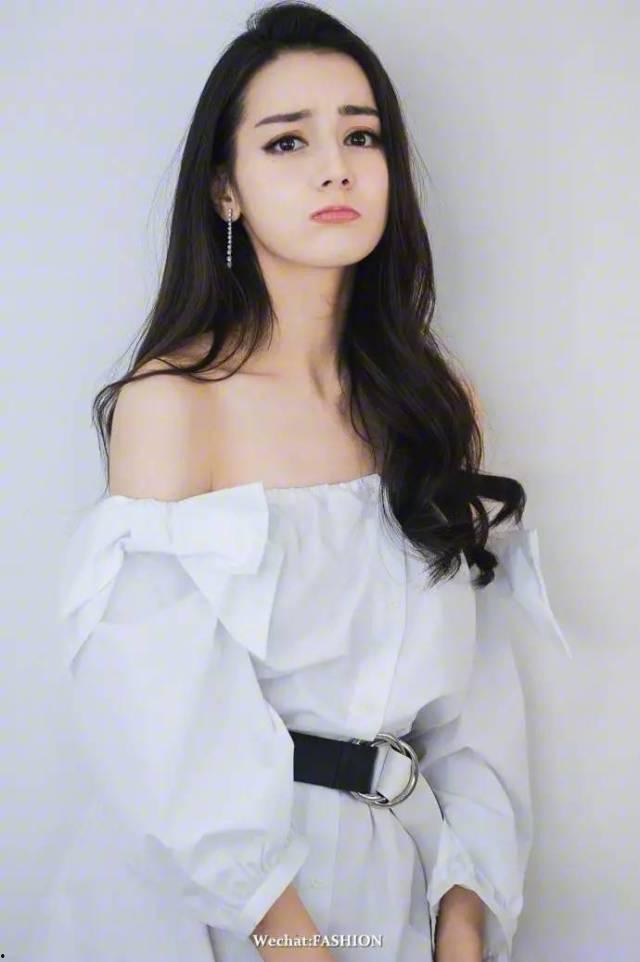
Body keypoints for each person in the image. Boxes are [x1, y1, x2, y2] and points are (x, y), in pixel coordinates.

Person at [26, 3, 572, 961]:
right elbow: (159, 719)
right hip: (217, 909)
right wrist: (294, 942)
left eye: (361, 135)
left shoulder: (433, 404)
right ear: (224, 191)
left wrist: (466, 911)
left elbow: (479, 703)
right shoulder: (175, 404)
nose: (336, 167)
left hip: (395, 878)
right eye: (287, 141)